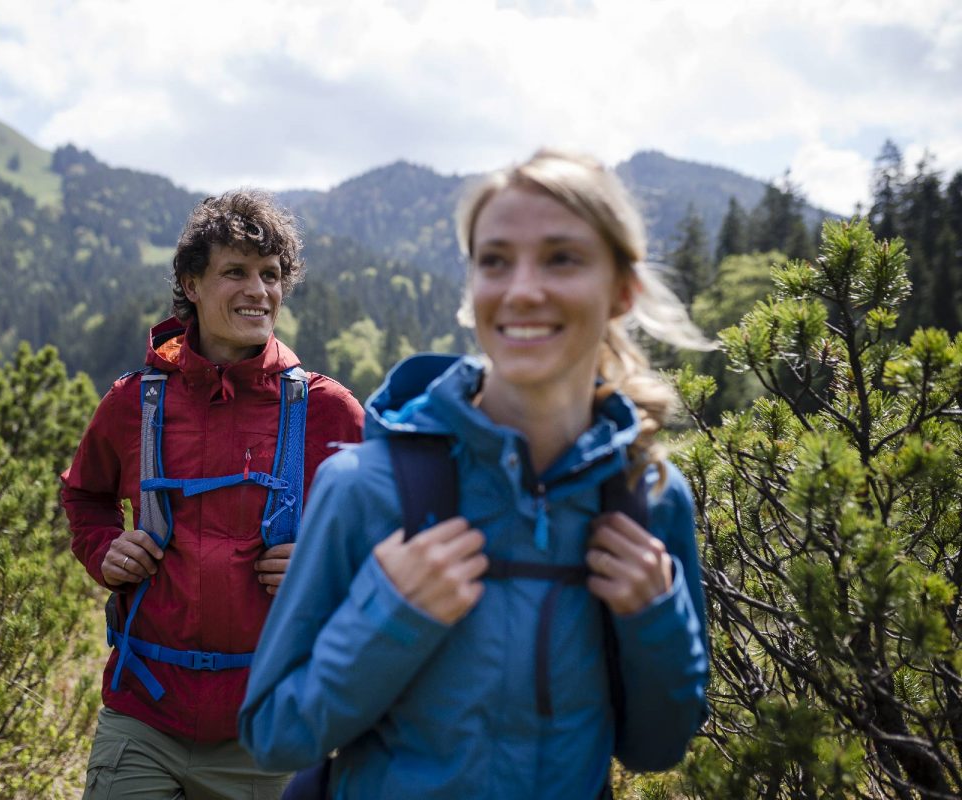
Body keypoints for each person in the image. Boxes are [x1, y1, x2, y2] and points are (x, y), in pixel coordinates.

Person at [239, 149, 711, 799]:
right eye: (495, 261)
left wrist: (657, 618)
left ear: (622, 291)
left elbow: (657, 748)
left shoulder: (650, 501)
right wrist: (391, 617)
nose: (521, 289)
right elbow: (273, 735)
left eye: (561, 258)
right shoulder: (363, 487)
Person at [62, 189, 365, 800]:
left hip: (272, 726)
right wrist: (103, 549)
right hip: (144, 714)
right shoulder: (134, 403)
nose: (259, 291)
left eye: (271, 275)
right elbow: (85, 496)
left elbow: (386, 539)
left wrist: (323, 569)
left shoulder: (327, 410)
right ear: (191, 284)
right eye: (235, 272)